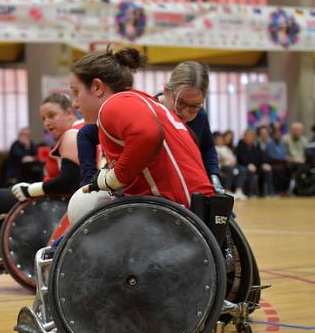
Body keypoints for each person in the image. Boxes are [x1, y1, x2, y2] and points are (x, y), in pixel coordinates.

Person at [67, 47, 213, 225]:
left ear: (97, 87)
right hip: (202, 209)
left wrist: (116, 177)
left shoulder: (114, 103)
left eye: (75, 92)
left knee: (84, 206)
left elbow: (147, 135)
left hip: (178, 216)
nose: (74, 103)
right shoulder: (146, 102)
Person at [0, 94, 81, 223]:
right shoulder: (79, 130)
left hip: (63, 200)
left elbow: (68, 182)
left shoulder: (71, 135)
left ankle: (15, 243)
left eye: (51, 115)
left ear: (69, 113)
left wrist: (31, 190)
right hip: (60, 194)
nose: (46, 122)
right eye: (43, 118)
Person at [156, 61, 222, 193]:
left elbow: (208, 149)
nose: (185, 113)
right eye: (180, 103)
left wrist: (214, 177)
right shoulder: (149, 111)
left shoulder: (200, 116)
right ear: (166, 90)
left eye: (194, 106)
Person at [236, 128, 272, 197]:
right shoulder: (240, 145)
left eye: (252, 136)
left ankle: (270, 192)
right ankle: (250, 193)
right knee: (250, 171)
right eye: (248, 136)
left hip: (256, 166)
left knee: (267, 170)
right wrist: (248, 164)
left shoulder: (255, 145)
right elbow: (241, 159)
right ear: (244, 136)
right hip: (244, 166)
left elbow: (260, 157)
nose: (250, 138)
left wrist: (263, 164)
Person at [214, 132, 248, 200]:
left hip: (232, 165)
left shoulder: (227, 148)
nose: (220, 140)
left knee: (243, 169)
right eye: (218, 139)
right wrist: (225, 162)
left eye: (221, 139)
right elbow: (217, 160)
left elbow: (233, 158)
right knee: (230, 169)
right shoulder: (215, 148)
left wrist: (233, 162)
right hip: (223, 167)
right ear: (215, 140)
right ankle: (227, 190)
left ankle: (239, 190)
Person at [265, 125, 292, 195]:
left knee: (289, 169)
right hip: (274, 163)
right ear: (273, 135)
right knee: (280, 170)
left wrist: (284, 158)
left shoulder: (282, 144)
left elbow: (284, 153)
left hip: (283, 163)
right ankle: (278, 190)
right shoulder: (269, 144)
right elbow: (271, 155)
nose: (278, 136)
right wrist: (282, 158)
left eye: (279, 134)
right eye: (277, 134)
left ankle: (286, 189)